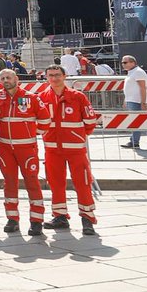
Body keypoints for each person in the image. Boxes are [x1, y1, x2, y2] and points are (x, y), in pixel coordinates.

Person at [38, 64, 100, 236]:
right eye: (50, 75)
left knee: (83, 183)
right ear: (46, 77)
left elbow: (90, 122)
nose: (54, 78)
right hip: (52, 149)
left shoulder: (77, 97)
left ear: (64, 76)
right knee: (55, 183)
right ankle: (60, 216)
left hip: (75, 150)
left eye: (57, 75)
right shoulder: (42, 97)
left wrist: (76, 136)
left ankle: (87, 219)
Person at [0, 68, 48, 236]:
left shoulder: (31, 97)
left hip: (26, 148)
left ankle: (36, 220)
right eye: (2, 78)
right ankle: (12, 219)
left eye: (8, 77)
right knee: (9, 182)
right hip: (5, 148)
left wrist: (31, 133)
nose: (6, 80)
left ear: (16, 78)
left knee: (32, 182)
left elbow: (45, 121)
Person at [121, 55, 147, 149]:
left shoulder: (138, 72)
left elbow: (142, 88)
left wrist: (143, 102)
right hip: (132, 100)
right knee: (138, 122)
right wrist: (126, 100)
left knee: (138, 122)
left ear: (133, 63)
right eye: (122, 62)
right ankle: (135, 141)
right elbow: (130, 88)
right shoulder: (132, 72)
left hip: (136, 101)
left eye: (125, 62)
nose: (123, 64)